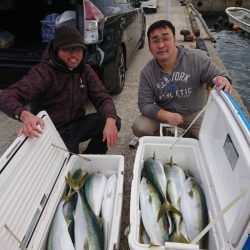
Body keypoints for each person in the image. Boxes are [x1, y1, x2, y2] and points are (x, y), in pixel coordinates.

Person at [0, 25, 121, 154]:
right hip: (53, 131)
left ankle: (91, 157)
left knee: (113, 121)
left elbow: (102, 97)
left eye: (78, 49)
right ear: (57, 50)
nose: (74, 55)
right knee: (67, 164)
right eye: (67, 49)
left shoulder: (85, 70)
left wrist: (110, 120)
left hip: (76, 125)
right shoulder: (43, 72)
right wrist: (25, 115)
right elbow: (6, 97)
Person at [132, 20, 233, 139]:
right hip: (164, 113)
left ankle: (192, 134)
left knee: (215, 137)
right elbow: (145, 104)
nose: (160, 45)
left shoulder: (196, 58)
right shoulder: (147, 72)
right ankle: (165, 134)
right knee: (140, 126)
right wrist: (167, 115)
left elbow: (218, 76)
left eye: (165, 38)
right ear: (149, 47)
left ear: (174, 40)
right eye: (155, 41)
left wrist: (223, 80)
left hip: (194, 113)